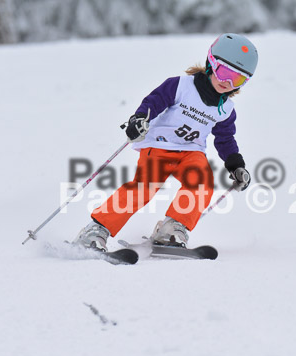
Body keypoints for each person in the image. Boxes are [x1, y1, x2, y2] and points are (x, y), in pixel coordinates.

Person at [73, 33, 258, 251]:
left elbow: (225, 138)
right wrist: (140, 119)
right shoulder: (180, 86)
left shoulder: (225, 109)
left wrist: (236, 165)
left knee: (201, 183)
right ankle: (96, 230)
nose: (227, 83)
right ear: (211, 63)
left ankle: (171, 230)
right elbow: (154, 101)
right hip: (158, 146)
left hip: (191, 152)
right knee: (145, 188)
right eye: (224, 72)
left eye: (237, 80)